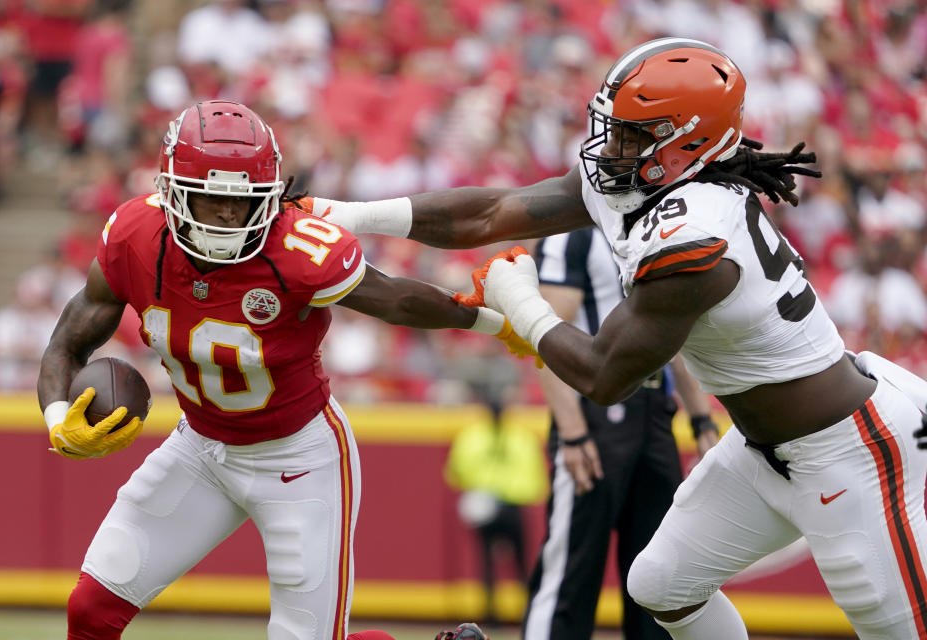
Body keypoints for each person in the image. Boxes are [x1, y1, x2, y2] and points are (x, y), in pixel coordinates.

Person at [305, 37, 927, 639]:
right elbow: (489, 212)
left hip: (849, 450)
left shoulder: (698, 240)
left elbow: (606, 377)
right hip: (764, 447)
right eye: (615, 126)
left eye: (633, 134)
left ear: (688, 143)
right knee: (661, 585)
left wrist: (521, 303)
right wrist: (348, 214)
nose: (613, 146)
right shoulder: (657, 184)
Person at [36, 100, 519, 640]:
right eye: (210, 196)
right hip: (199, 447)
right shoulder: (135, 235)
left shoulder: (297, 248)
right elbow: (66, 344)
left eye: (240, 202)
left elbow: (398, 301)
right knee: (90, 610)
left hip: (299, 457)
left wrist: (490, 321)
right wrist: (59, 419)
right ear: (173, 190)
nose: (224, 214)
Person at [524, 228, 719, 640]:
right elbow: (546, 335)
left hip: (654, 409)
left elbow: (673, 330)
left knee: (657, 572)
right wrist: (573, 433)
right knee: (573, 569)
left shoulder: (659, 227)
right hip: (594, 407)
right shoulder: (573, 235)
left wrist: (701, 419)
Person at [444, 391, 547, 624]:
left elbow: (456, 472)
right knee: (516, 563)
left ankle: (495, 614)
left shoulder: (472, 436)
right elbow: (535, 476)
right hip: (509, 505)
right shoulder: (521, 437)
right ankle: (525, 612)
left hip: (490, 505)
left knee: (492, 563)